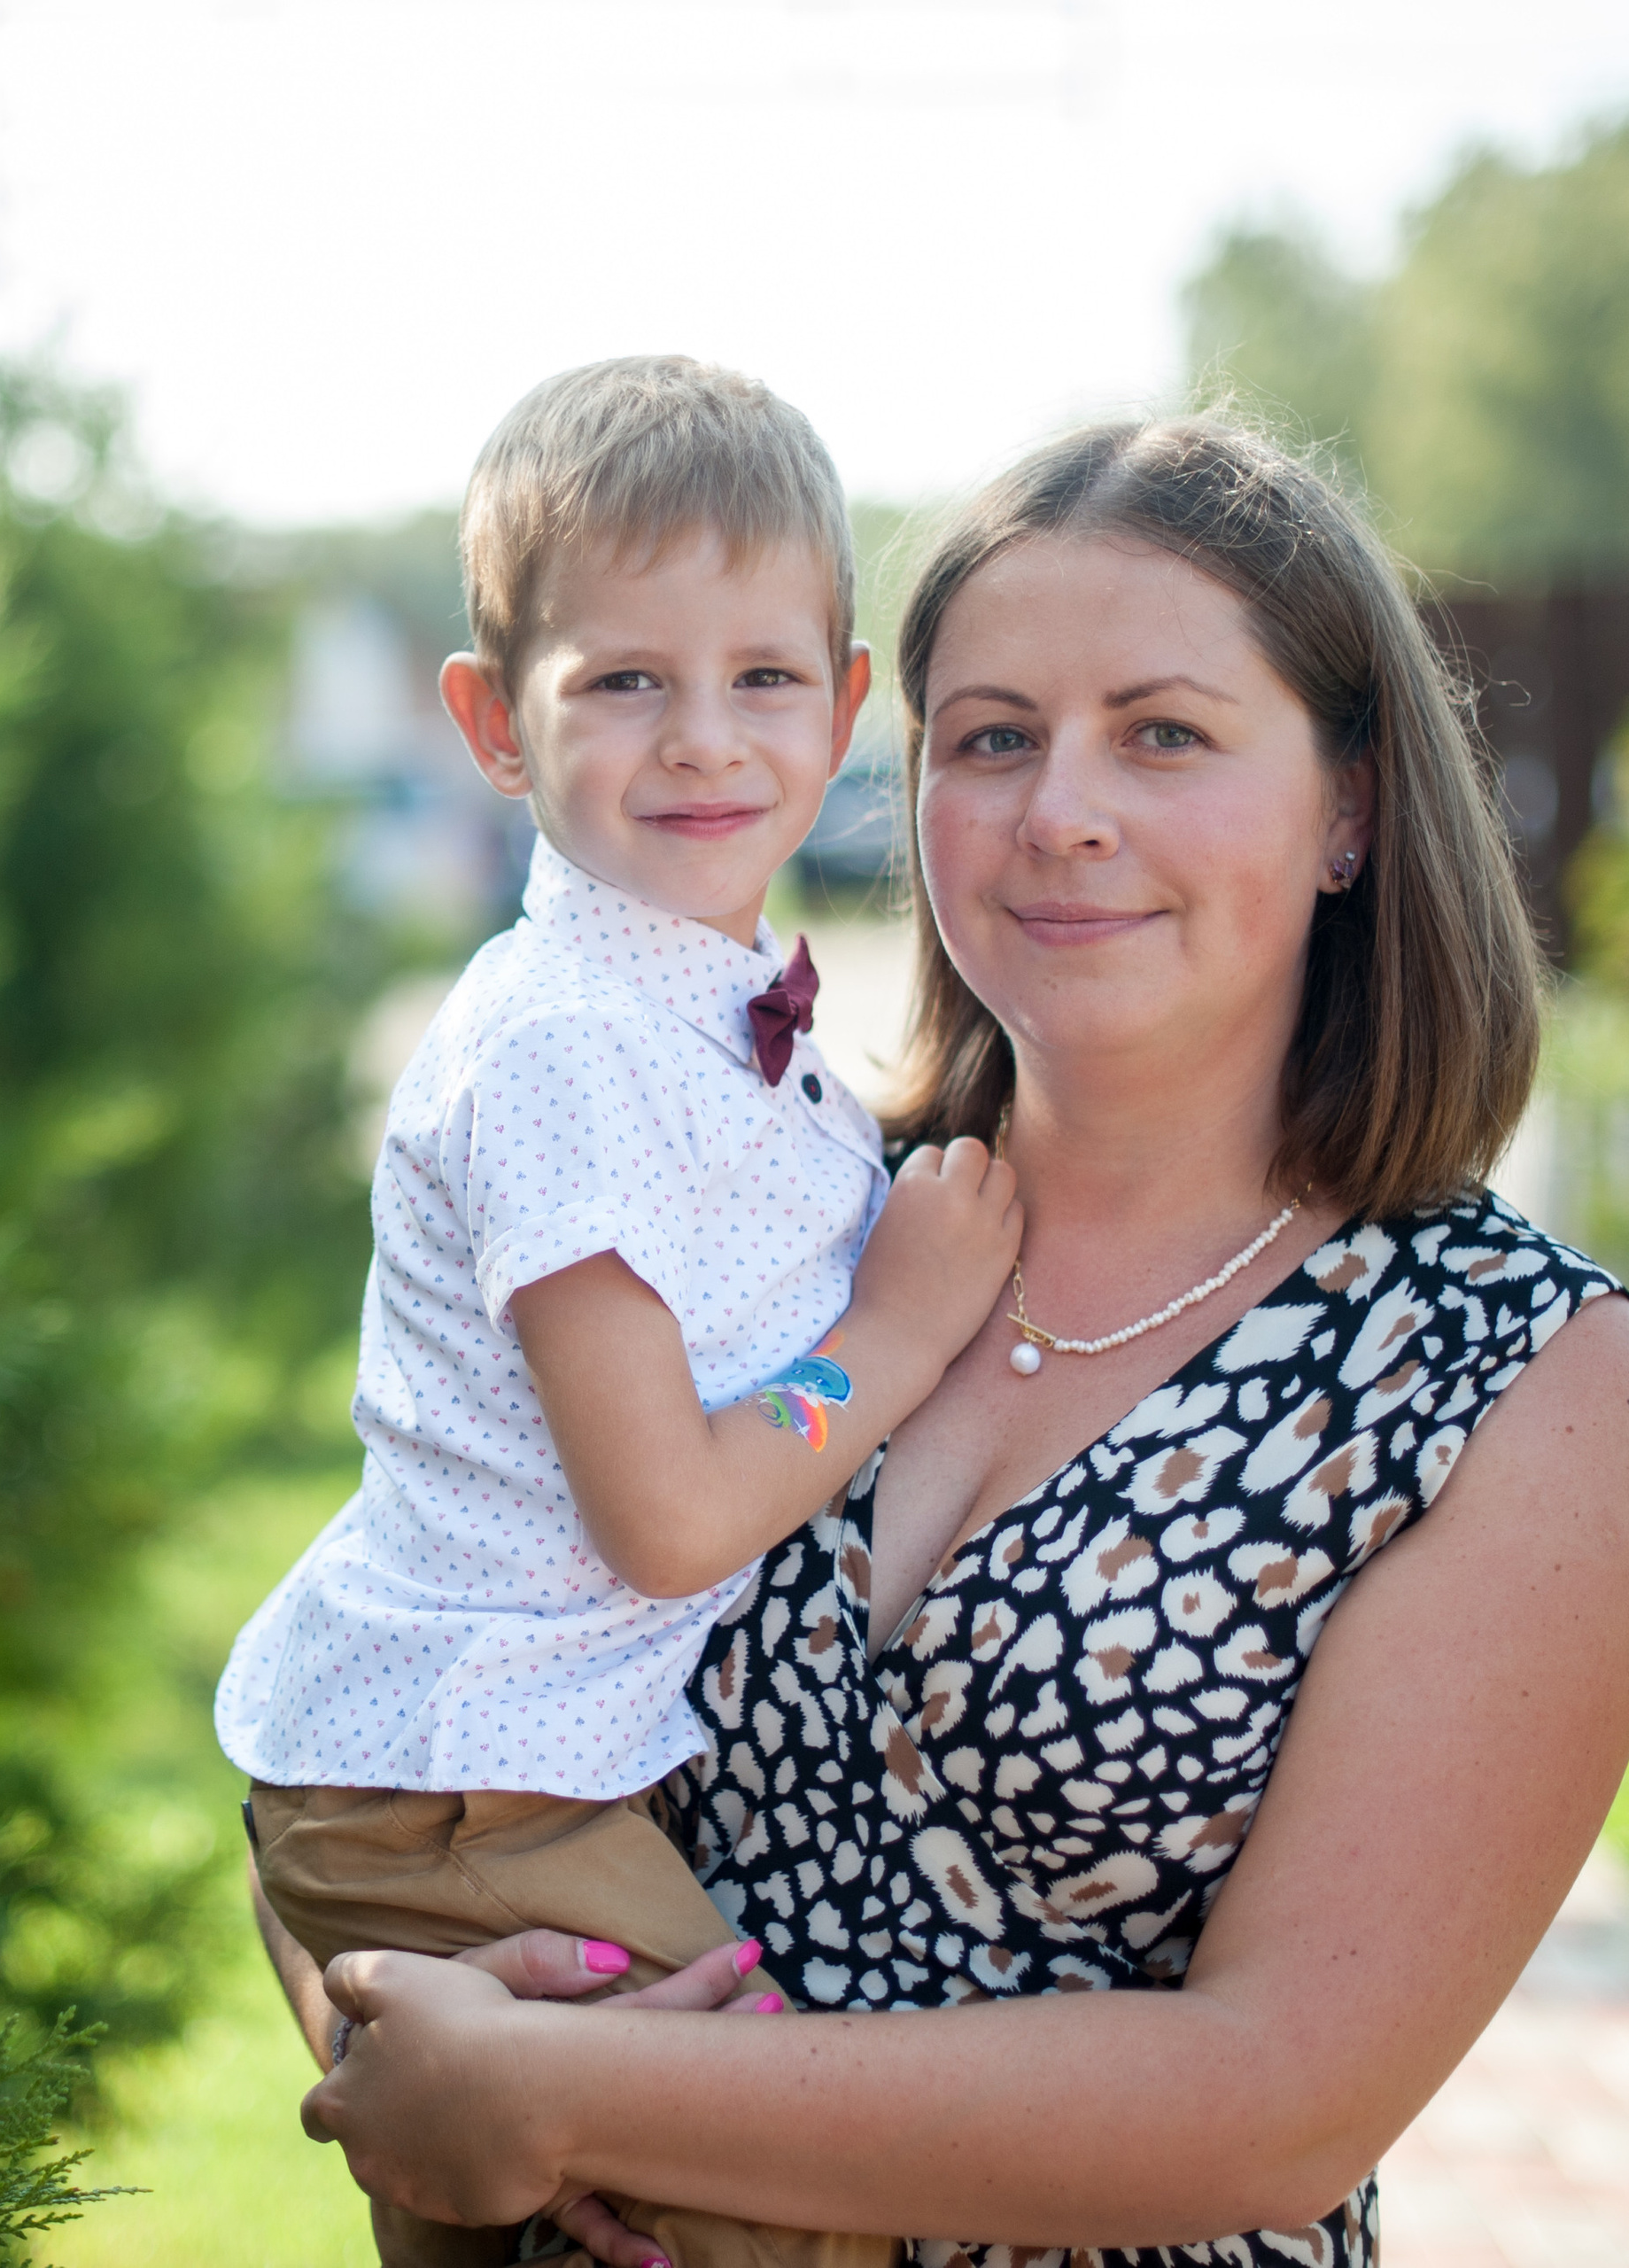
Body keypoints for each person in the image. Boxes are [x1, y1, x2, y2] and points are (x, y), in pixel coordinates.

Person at [280, 416, 1629, 2268]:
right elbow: (396, 1651)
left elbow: (1276, 2100)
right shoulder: (800, 1204)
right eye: (990, 738)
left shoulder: (1517, 1378)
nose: (1056, 810)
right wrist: (382, 2017)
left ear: (1349, 806)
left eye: (1159, 731)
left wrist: (559, 2097)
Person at [214, 356, 1023, 2268]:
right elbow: (658, 1514)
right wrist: (896, 1334)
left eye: (758, 678)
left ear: (840, 712)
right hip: (454, 1795)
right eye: (623, 680)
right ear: (495, 721)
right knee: (772, 2206)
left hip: (508, 1766)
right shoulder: (563, 1041)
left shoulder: (685, 991)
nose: (701, 739)